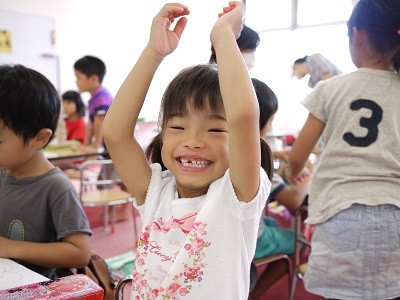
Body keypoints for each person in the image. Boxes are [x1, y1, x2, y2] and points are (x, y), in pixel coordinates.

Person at [103, 2, 273, 299]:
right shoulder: (156, 192)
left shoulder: (236, 198)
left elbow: (244, 116)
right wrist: (153, 53)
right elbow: (115, 133)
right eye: (178, 127)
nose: (193, 141)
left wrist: (223, 36)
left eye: (216, 130)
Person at [287, 0, 400, 299]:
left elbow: (299, 154)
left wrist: (293, 172)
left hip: (341, 212)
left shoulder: (331, 88)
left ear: (358, 35)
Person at [0, 64, 92, 279]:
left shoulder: (55, 187)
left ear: (40, 138)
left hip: (36, 289)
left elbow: (80, 252)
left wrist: (9, 248)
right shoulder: (4, 172)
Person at [248, 78, 313, 299]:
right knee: (298, 241)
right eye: (271, 121)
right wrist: (310, 174)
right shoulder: (257, 163)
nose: (272, 128)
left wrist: (278, 155)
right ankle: (254, 294)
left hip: (233, 234)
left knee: (273, 222)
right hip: (248, 240)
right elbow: (294, 202)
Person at [73, 55, 112, 151]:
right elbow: (91, 123)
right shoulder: (93, 98)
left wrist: (95, 146)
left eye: (78, 78)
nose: (76, 82)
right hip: (107, 143)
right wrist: (86, 144)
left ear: (94, 79)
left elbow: (100, 121)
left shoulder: (101, 95)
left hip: (111, 144)